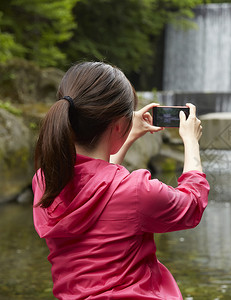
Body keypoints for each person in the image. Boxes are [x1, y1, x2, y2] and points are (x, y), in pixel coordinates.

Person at [32, 61, 209, 299]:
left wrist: (128, 133)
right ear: (118, 125)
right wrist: (191, 141)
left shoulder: (45, 181)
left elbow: (97, 187)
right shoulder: (136, 190)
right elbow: (192, 204)